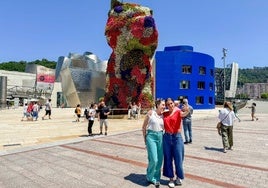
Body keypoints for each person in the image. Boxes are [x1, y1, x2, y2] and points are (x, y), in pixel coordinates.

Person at [162, 98, 190, 187]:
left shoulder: (178, 112)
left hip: (177, 138)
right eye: (168, 104)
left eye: (171, 103)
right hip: (166, 137)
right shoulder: (165, 114)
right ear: (166, 106)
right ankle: (170, 178)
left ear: (174, 104)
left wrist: (187, 109)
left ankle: (178, 177)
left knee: (179, 158)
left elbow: (185, 113)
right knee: (168, 159)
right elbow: (157, 114)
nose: (170, 105)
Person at [142, 99, 166, 187]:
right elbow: (144, 127)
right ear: (158, 105)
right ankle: (149, 176)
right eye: (163, 105)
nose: (164, 107)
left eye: (164, 105)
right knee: (154, 159)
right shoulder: (150, 113)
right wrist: (145, 139)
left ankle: (156, 178)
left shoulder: (164, 116)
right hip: (151, 137)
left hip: (160, 136)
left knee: (159, 160)